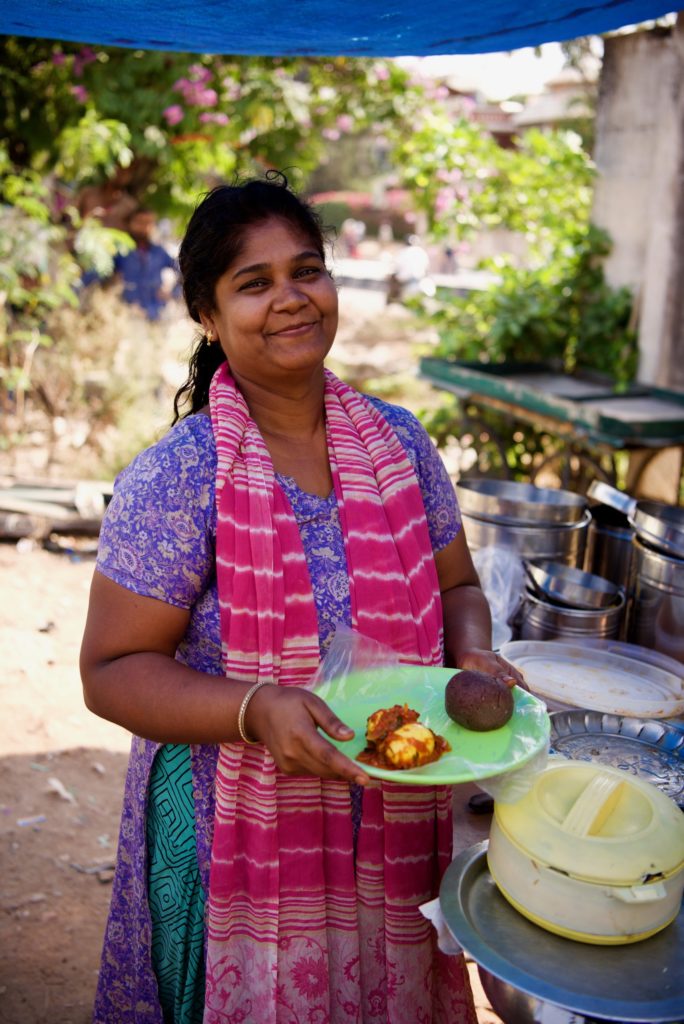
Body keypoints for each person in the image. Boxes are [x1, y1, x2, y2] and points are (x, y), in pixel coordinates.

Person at [80, 172, 524, 1024]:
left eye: (307, 271)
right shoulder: (180, 477)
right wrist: (255, 710)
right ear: (208, 316)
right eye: (254, 283)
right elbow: (110, 671)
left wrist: (468, 653)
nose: (290, 299)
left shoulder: (399, 442)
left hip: (393, 811)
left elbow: (458, 585)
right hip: (227, 838)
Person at [113, 207, 180, 321]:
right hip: (125, 315)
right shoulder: (119, 251)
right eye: (140, 222)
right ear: (130, 223)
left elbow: (183, 270)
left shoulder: (159, 252)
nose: (144, 227)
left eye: (149, 223)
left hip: (156, 314)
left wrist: (174, 292)